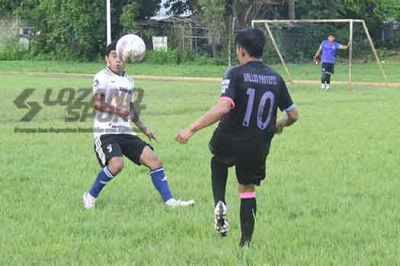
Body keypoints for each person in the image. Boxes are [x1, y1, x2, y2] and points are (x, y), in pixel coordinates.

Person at [175, 28, 299, 247]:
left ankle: (220, 202)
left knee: (218, 158)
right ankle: (246, 244)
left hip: (230, 137)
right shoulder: (276, 78)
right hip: (258, 144)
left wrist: (191, 128)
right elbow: (293, 115)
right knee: (247, 189)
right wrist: (279, 124)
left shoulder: (235, 73)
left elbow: (224, 107)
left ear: (241, 50)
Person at [83, 41, 195, 209]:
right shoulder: (101, 77)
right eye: (114, 56)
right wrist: (117, 111)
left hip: (126, 132)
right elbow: (97, 104)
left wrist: (144, 128)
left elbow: (130, 107)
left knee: (155, 161)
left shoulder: (129, 81)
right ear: (107, 58)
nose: (118, 60)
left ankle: (170, 201)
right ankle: (90, 196)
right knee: (116, 165)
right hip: (105, 132)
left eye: (121, 57)